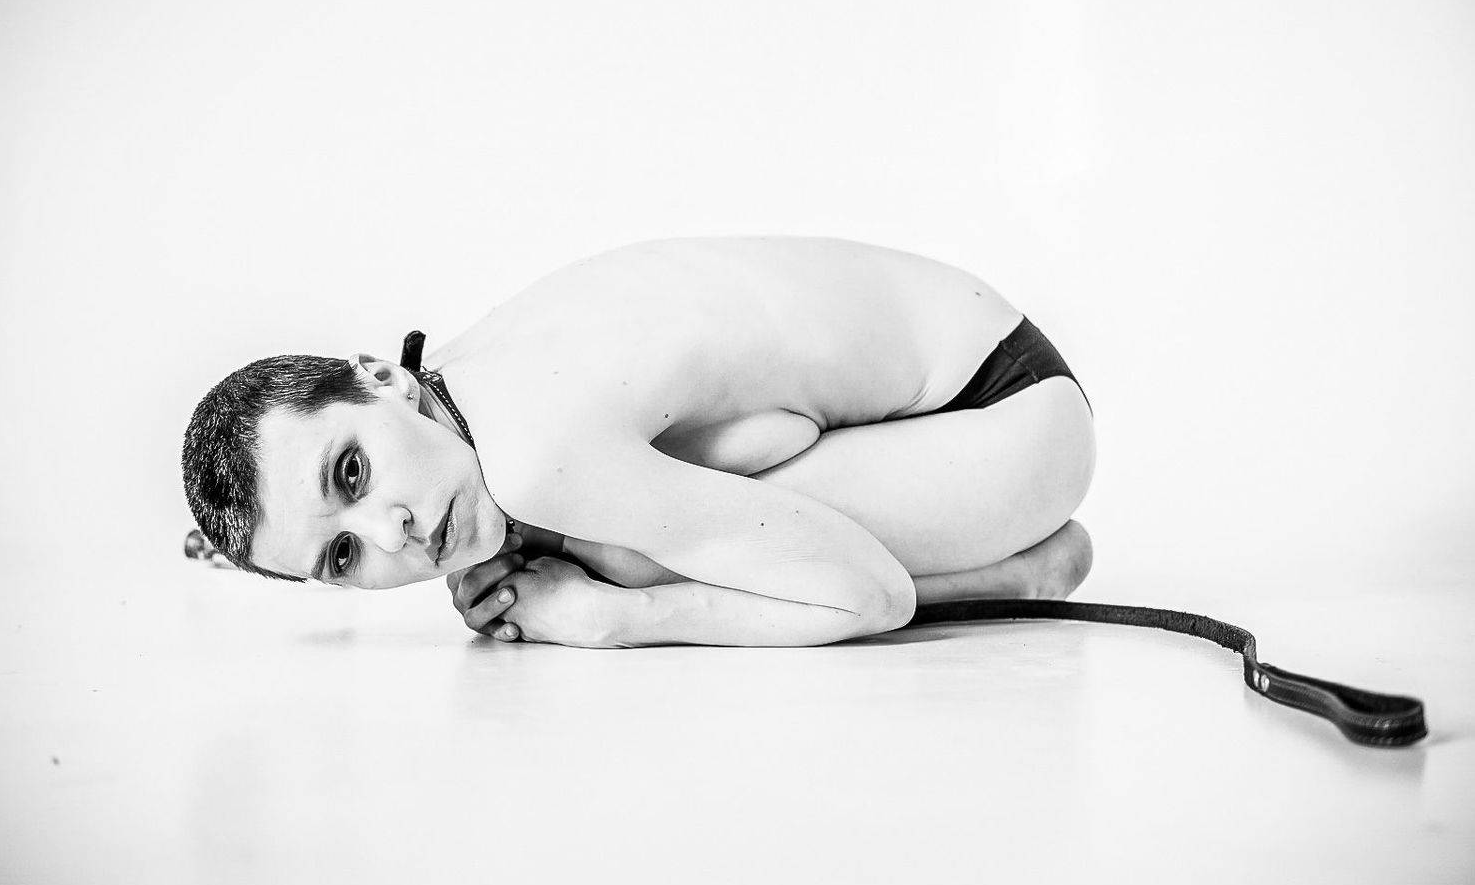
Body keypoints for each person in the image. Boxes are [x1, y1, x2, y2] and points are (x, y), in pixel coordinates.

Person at [181, 236, 1096, 648]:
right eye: (342, 557)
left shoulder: (531, 457)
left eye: (352, 472)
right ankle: (1007, 559)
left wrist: (616, 618)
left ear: (381, 378)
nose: (394, 533)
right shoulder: (463, 372)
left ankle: (1015, 570)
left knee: (622, 550)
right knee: (638, 515)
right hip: (984, 351)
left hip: (1007, 423)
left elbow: (870, 599)